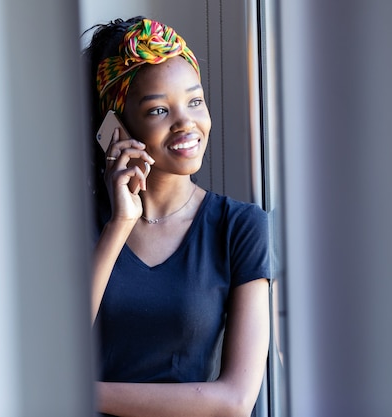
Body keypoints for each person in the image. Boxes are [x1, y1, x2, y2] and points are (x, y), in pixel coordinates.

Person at [83, 16, 270, 417]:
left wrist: (84, 392)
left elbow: (235, 401)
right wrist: (120, 224)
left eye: (195, 101)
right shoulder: (78, 227)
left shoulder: (240, 227)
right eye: (158, 110)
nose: (186, 122)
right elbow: (52, 357)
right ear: (115, 127)